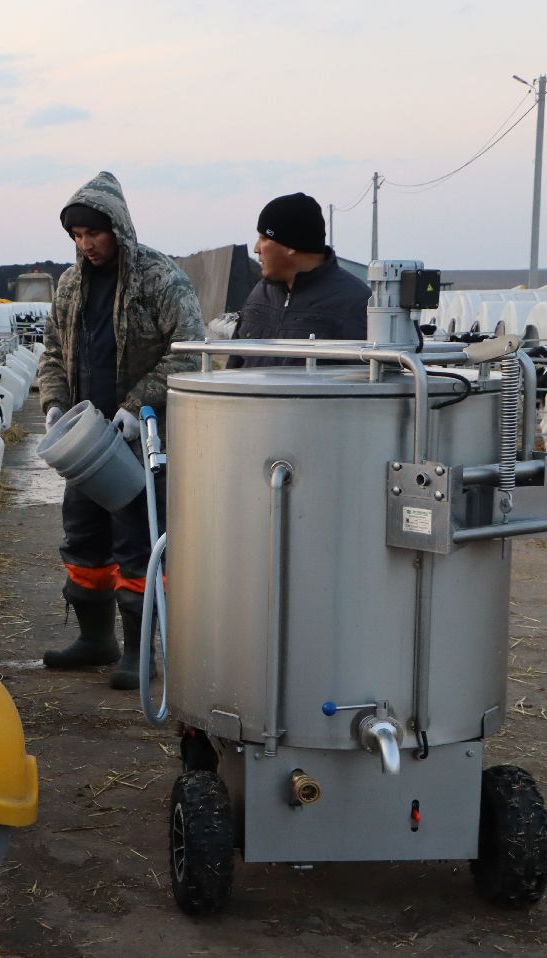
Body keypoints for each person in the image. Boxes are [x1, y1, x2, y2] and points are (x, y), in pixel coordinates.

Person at [36, 171, 204, 690]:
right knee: (83, 538)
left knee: (138, 541)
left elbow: (192, 351)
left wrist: (139, 404)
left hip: (139, 438)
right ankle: (95, 639)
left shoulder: (159, 278)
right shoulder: (69, 286)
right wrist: (55, 402)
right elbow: (49, 354)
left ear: (118, 228)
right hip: (86, 441)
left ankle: (139, 652)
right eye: (76, 237)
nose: (85, 245)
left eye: (94, 234)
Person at [229, 192, 370, 366]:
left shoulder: (356, 304)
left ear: (291, 245)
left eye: (264, 238)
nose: (256, 248)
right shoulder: (259, 293)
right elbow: (234, 364)